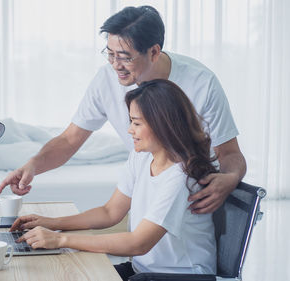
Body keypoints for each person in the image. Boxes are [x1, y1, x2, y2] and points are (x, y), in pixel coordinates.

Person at [0, 5, 246, 214]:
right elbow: (69, 140)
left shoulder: (201, 83)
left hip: (192, 201)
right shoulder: (107, 79)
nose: (116, 65)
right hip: (146, 195)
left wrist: (230, 179)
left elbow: (231, 154)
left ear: (154, 52)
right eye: (110, 54)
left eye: (125, 57)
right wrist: (31, 166)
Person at [11, 79, 218, 279]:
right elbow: (110, 212)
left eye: (136, 123)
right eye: (131, 122)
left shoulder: (180, 177)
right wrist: (53, 223)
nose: (130, 130)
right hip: (143, 269)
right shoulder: (142, 156)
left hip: (180, 276)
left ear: (162, 125)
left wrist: (60, 239)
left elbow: (138, 243)